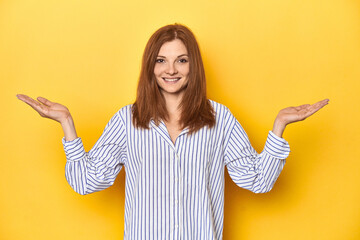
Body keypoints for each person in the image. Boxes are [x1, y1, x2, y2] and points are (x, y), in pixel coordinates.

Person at [17, 23, 329, 240]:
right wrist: (67, 124)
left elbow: (258, 181)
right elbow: (86, 182)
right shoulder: (127, 121)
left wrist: (279, 127)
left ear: (194, 65)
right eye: (161, 61)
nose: (171, 70)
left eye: (181, 60)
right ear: (150, 67)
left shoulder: (220, 119)